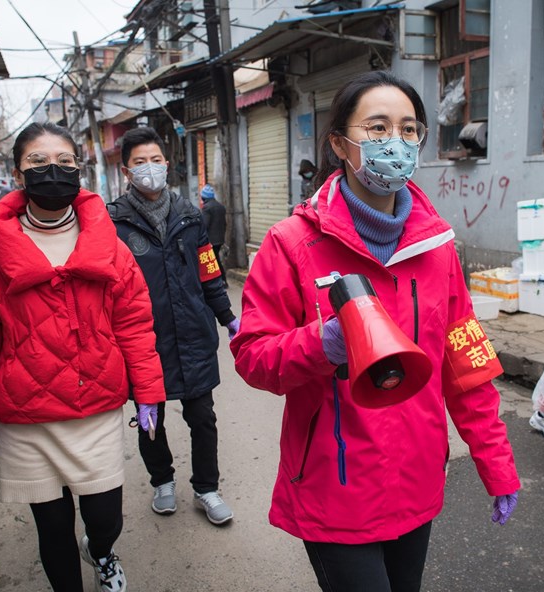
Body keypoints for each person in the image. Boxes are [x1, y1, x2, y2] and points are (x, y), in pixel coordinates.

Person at [230, 71, 520, 592]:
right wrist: (322, 344)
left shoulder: (437, 249)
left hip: (417, 481)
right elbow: (253, 357)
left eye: (409, 130)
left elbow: (466, 366)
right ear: (341, 143)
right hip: (333, 485)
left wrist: (496, 463)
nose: (397, 143)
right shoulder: (291, 243)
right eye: (378, 127)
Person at [0, 122, 166, 592]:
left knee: (105, 518)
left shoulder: (110, 246)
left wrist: (149, 393)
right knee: (52, 528)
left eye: (65, 163)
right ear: (17, 173)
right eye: (38, 164)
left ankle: (102, 553)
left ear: (79, 170)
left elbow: (134, 325)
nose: (53, 173)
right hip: (27, 419)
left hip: (97, 409)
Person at [109, 127, 239, 526]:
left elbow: (209, 272)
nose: (150, 169)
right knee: (151, 420)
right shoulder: (113, 223)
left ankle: (206, 487)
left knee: (203, 417)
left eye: (155, 160)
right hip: (144, 342)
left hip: (194, 335)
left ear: (167, 164)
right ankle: (162, 481)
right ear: (126, 171)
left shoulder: (190, 216)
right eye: (139, 163)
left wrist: (228, 317)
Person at [199, 183, 228, 288]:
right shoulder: (220, 206)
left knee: (213, 262)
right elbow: (224, 224)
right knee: (216, 260)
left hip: (211, 240)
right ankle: (222, 281)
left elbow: (204, 225)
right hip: (219, 239)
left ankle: (220, 282)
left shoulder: (207, 208)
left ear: (204, 196)